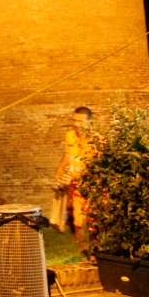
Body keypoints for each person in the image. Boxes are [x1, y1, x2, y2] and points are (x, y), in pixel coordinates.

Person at [53, 106, 93, 253]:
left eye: (81, 121)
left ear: (89, 122)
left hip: (90, 187)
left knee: (93, 223)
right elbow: (68, 155)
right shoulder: (70, 135)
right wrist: (60, 170)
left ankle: (95, 251)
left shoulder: (95, 139)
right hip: (74, 185)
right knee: (75, 222)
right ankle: (83, 250)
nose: (77, 124)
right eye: (75, 120)